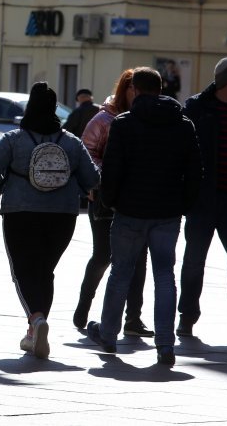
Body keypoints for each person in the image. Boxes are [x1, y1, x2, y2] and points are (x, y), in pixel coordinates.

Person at [87, 67, 201, 367]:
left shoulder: (124, 123)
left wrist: (109, 202)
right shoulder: (183, 125)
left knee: (121, 272)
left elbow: (112, 169)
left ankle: (109, 336)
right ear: (161, 89)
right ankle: (165, 344)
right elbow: (194, 172)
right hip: (167, 212)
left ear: (134, 90)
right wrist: (184, 205)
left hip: (130, 211)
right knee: (165, 275)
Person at [0, 82, 99, 359]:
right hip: (63, 215)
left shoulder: (13, 139)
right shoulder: (71, 141)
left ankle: (36, 321)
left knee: (23, 270)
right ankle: (36, 329)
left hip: (20, 211)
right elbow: (93, 179)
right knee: (45, 271)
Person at [72, 70, 153, 339]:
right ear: (125, 91)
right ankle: (83, 307)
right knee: (103, 255)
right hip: (105, 198)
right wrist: (106, 176)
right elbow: (86, 153)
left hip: (136, 199)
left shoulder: (146, 119)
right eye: (133, 90)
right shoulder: (104, 119)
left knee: (139, 259)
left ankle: (134, 318)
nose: (137, 96)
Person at [177, 57, 227, 343]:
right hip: (203, 199)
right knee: (194, 260)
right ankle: (187, 318)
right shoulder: (197, 108)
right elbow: (182, 152)